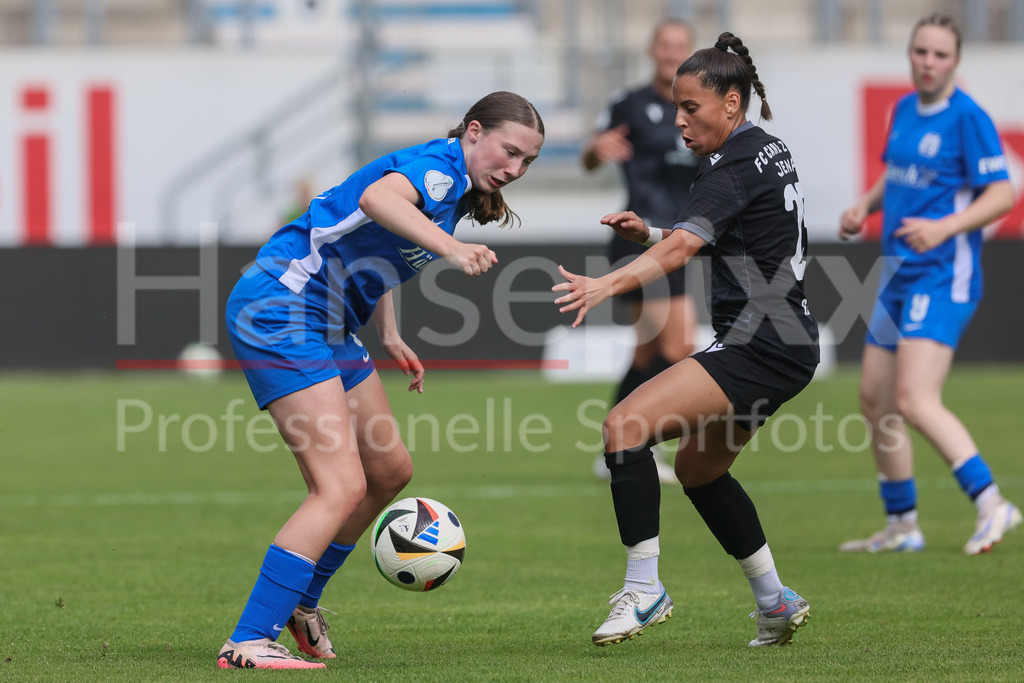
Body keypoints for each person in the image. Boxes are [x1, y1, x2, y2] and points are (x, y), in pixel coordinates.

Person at [217, 91, 544, 669]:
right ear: (473, 131)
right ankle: (247, 641)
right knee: (339, 486)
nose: (515, 169)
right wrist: (451, 248)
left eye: (528, 161)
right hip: (281, 307)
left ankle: (302, 603)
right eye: (510, 151)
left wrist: (389, 332)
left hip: (330, 322)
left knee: (389, 470)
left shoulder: (455, 187)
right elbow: (376, 199)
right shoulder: (439, 171)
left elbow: (379, 245)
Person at [553, 33, 819, 647]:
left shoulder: (729, 165)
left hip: (759, 344)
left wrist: (605, 284)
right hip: (784, 341)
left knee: (624, 426)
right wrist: (651, 233)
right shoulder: (766, 149)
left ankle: (644, 589)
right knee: (698, 469)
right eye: (676, 107)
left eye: (690, 108)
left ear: (731, 102)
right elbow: (725, 235)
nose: (678, 120)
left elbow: (684, 250)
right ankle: (775, 600)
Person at [838, 13, 1019, 555]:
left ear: (956, 61)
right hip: (897, 274)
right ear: (910, 54)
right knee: (875, 400)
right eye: (921, 51)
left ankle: (992, 502)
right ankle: (902, 526)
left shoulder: (968, 117)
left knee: (915, 399)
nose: (928, 62)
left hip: (942, 276)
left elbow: (1003, 194)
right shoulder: (903, 108)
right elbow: (896, 173)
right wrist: (864, 206)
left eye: (940, 55)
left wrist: (944, 227)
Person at [581, 18, 700, 485]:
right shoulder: (629, 103)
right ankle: (632, 442)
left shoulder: (698, 107)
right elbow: (590, 159)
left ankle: (618, 445)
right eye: (664, 45)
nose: (671, 53)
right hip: (638, 238)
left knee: (649, 353)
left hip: (678, 239)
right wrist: (597, 150)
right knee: (679, 346)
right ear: (651, 50)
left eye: (680, 46)